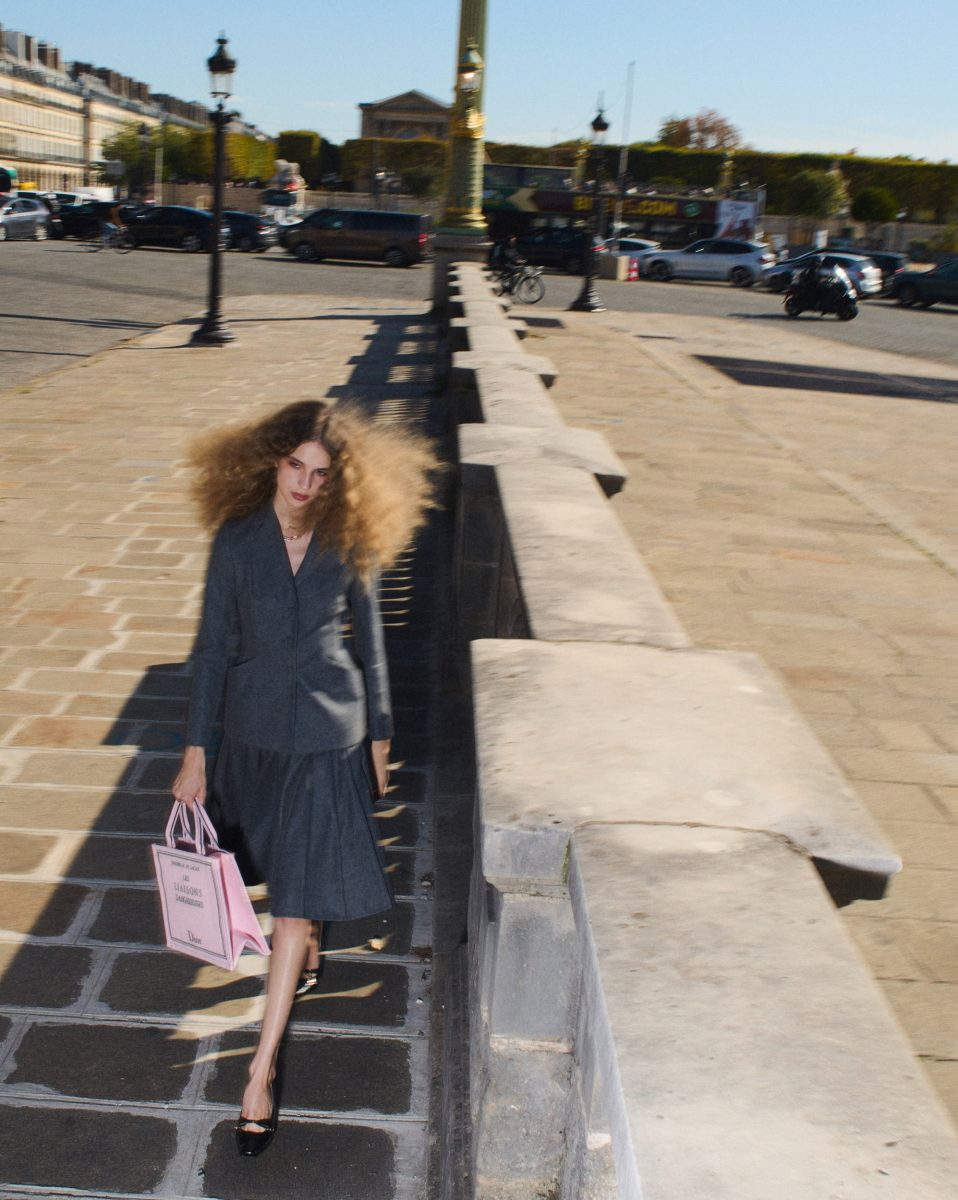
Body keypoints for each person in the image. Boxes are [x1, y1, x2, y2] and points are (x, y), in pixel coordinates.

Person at [171, 399, 435, 1158]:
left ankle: (259, 1073)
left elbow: (372, 648)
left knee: (290, 908)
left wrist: (380, 738)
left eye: (321, 474)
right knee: (283, 880)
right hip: (252, 737)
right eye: (296, 466)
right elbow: (211, 651)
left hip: (328, 736)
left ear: (339, 480)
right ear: (272, 460)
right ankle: (312, 941)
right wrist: (196, 751)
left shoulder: (350, 539)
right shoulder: (236, 539)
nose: (305, 484)